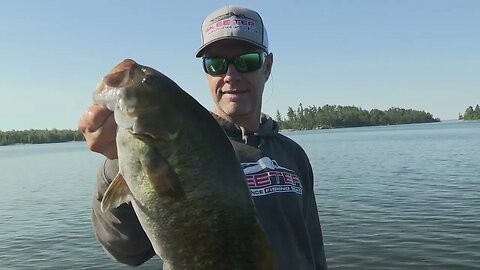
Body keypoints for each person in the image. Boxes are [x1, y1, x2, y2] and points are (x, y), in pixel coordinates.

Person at [78, 4, 327, 270]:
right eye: (216, 64)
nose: (231, 76)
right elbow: (126, 250)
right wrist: (117, 162)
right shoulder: (178, 149)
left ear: (267, 67)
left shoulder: (293, 155)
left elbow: (312, 246)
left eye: (247, 61)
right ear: (205, 72)